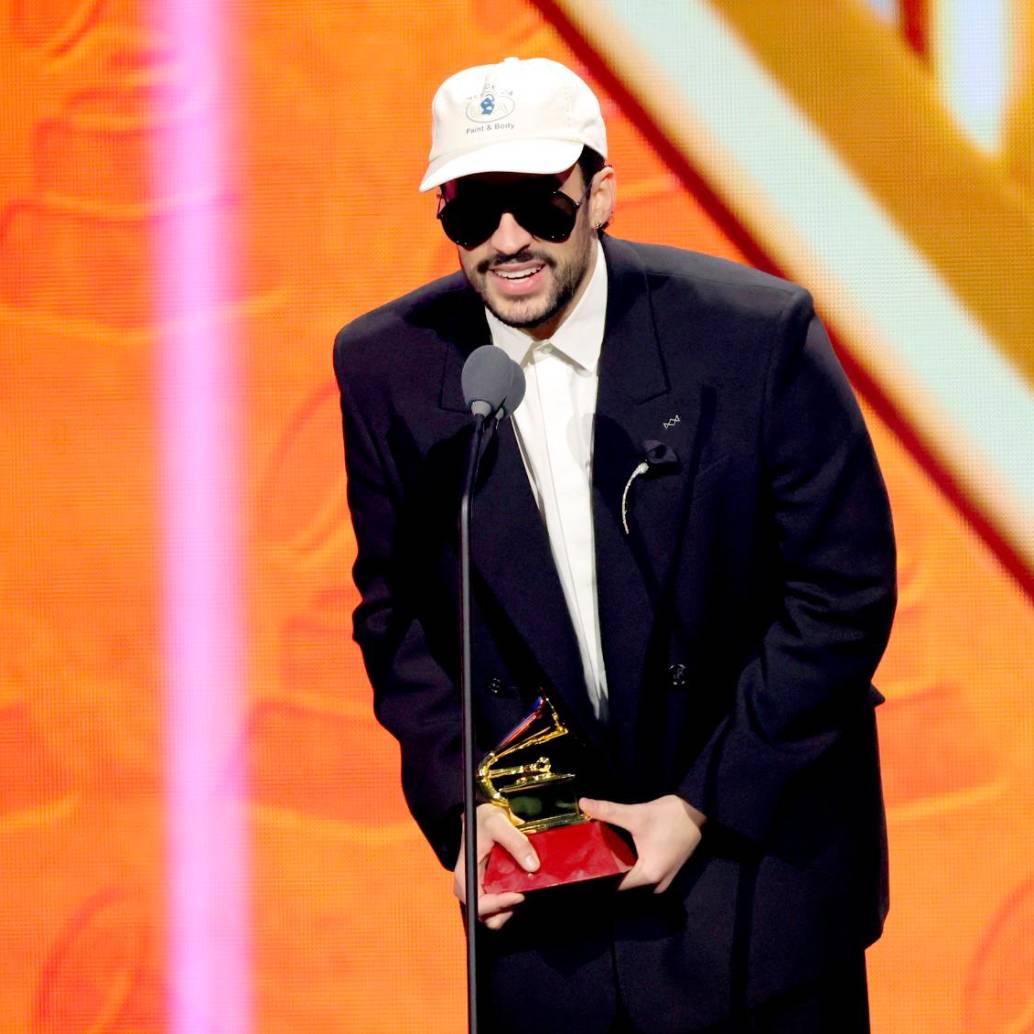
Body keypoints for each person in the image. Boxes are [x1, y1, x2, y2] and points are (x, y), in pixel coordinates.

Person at [334, 56, 896, 1033]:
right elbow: (399, 618)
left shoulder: (749, 336)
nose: (505, 242)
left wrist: (696, 803)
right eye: (472, 213)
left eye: (537, 207)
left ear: (598, 193)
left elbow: (838, 594)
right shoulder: (388, 367)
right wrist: (471, 812)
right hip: (549, 921)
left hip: (754, 885)